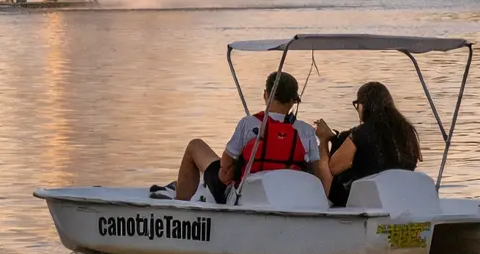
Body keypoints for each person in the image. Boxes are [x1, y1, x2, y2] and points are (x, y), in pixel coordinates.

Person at [168, 70, 327, 204]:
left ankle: (180, 203)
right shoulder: (306, 131)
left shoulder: (249, 124)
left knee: (195, 145)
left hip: (246, 195)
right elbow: (316, 170)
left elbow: (225, 164)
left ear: (266, 94)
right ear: (293, 101)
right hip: (289, 195)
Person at [314, 81, 422, 207]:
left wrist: (324, 139)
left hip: (367, 197)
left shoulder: (361, 133)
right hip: (401, 194)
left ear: (363, 106)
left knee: (325, 167)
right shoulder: (408, 131)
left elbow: (334, 167)